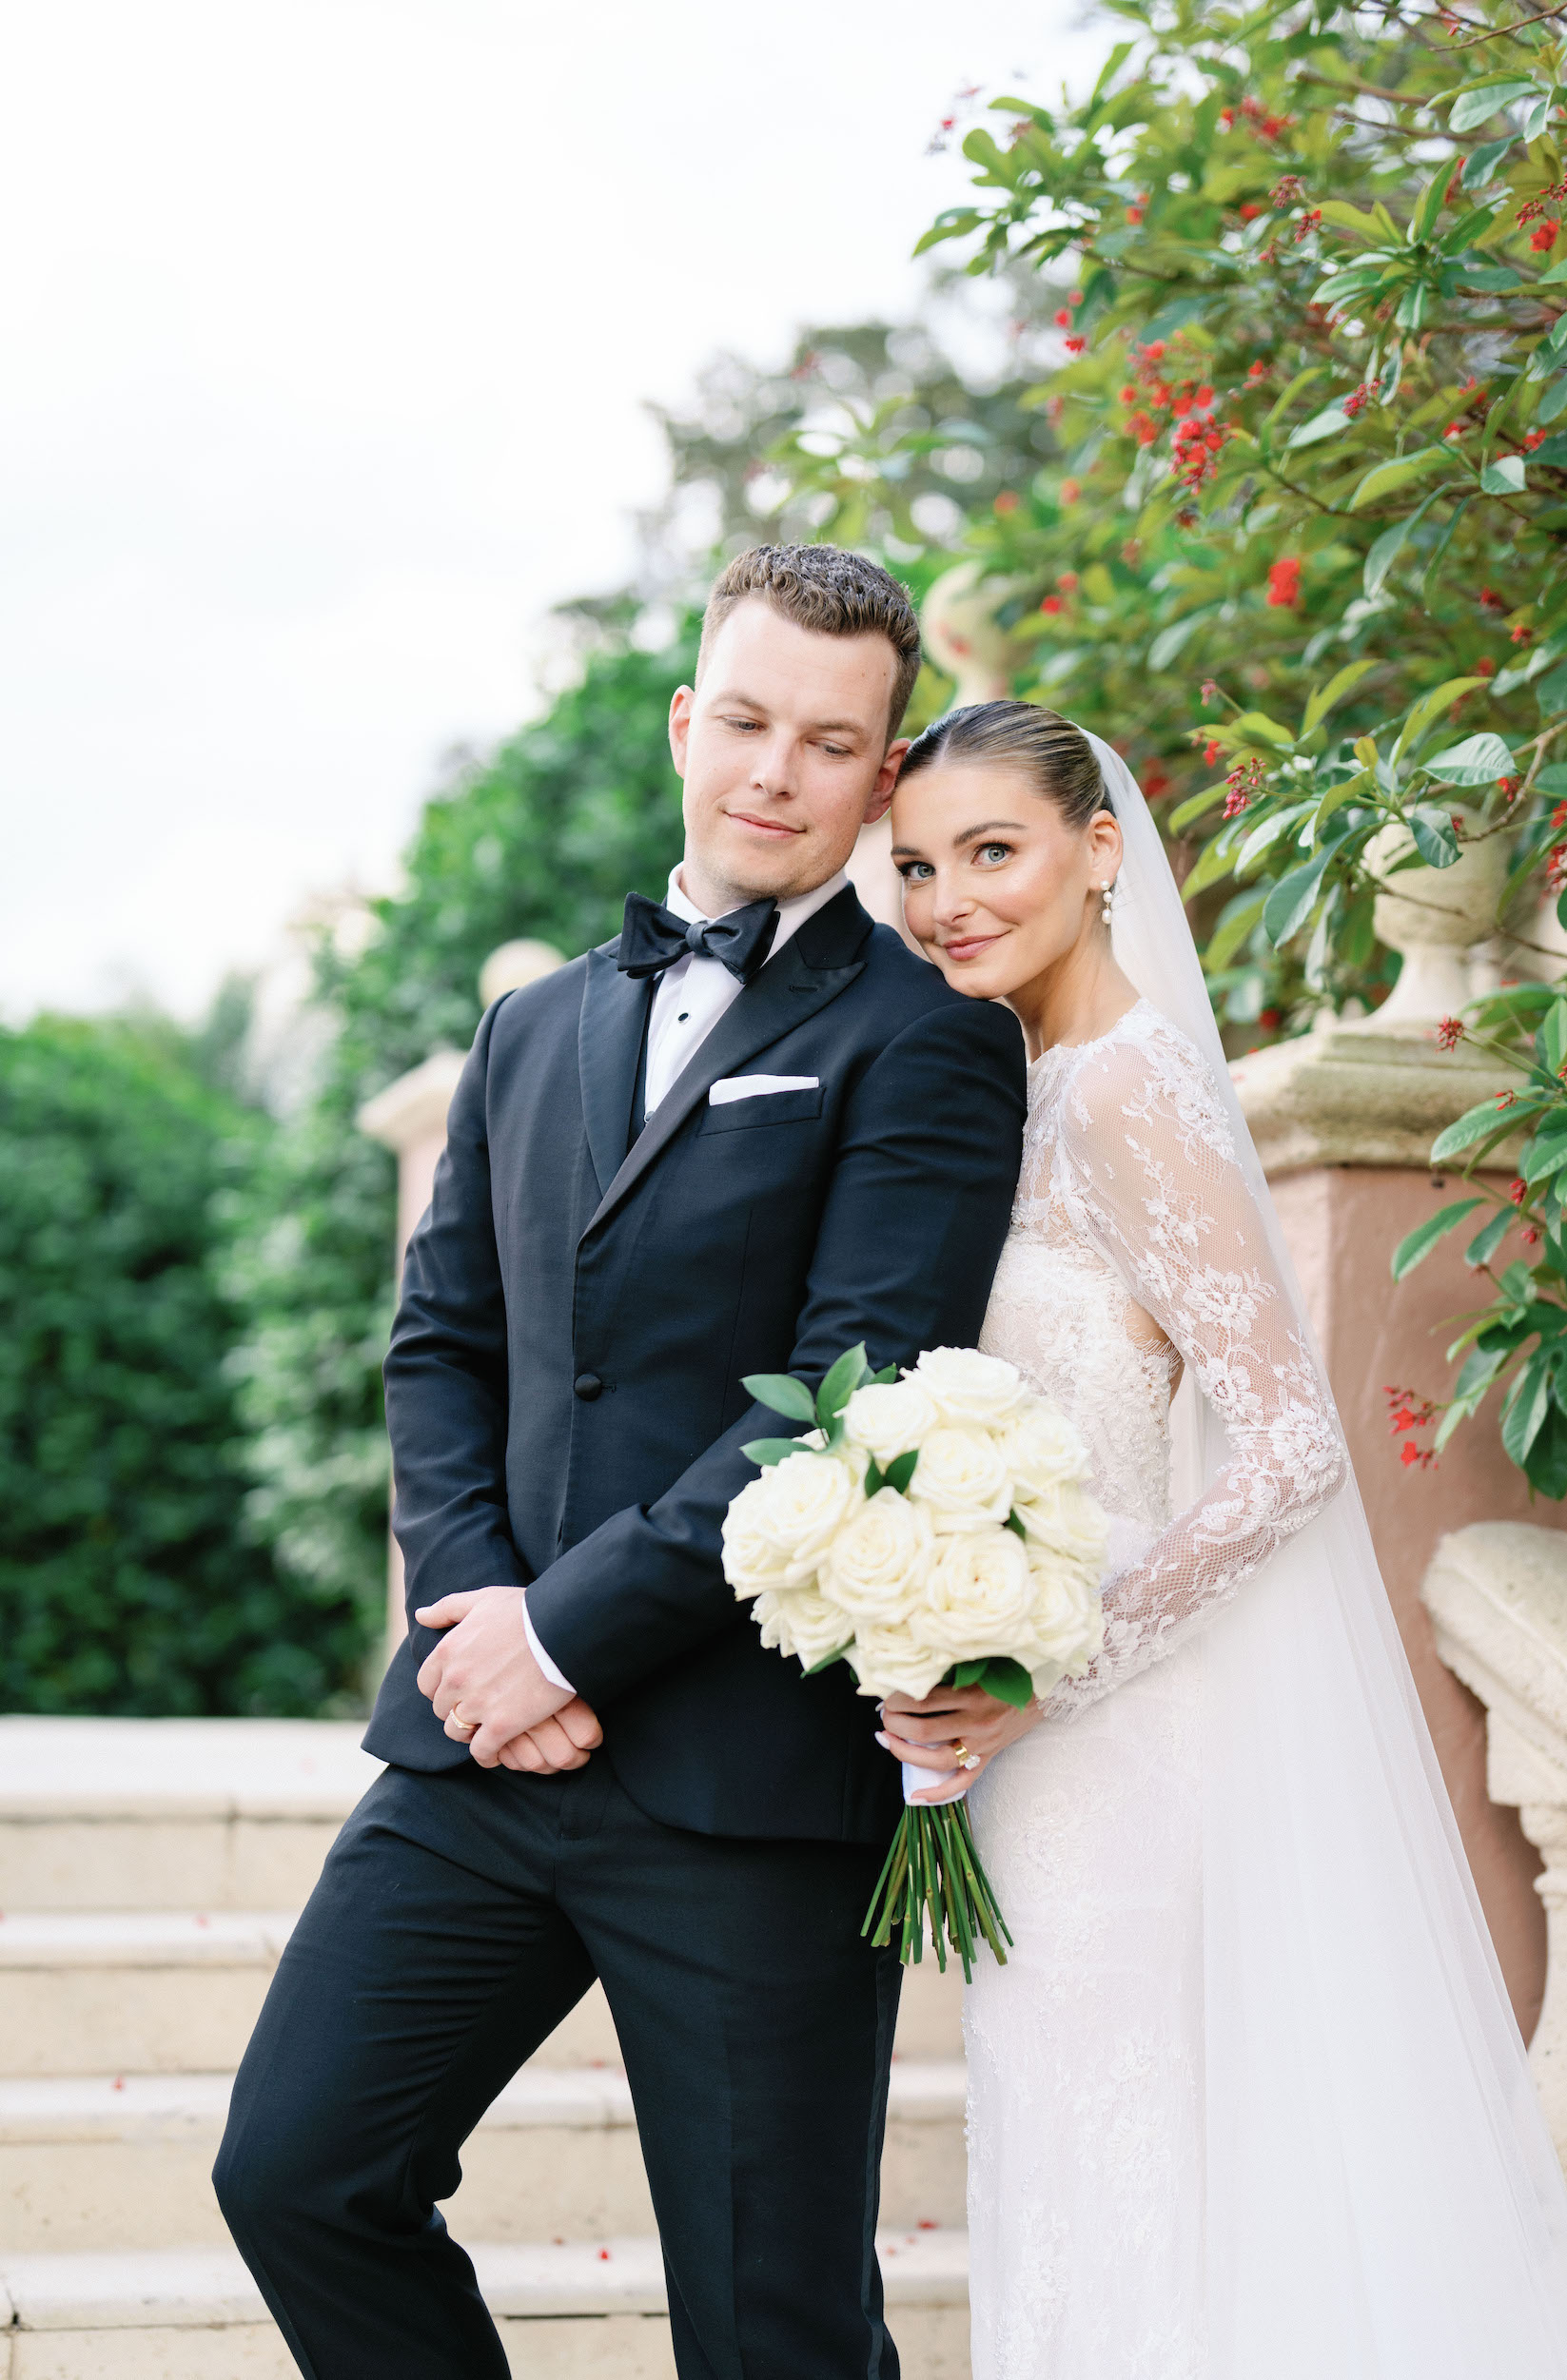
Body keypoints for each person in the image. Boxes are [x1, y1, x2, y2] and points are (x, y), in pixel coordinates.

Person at [212, 546, 1028, 2379]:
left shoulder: (931, 1042)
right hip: (478, 1747)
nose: (774, 770)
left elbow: (841, 1390)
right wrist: (478, 1616)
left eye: (830, 741)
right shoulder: (531, 1025)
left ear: (883, 774)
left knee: (774, 2330)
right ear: (685, 721)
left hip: (742, 1775)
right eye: (743, 721)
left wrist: (568, 1635)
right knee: (297, 2173)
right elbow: (443, 1344)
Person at [877, 700, 1567, 2380]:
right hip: (1045, 1742)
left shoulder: (1130, 1088)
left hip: (1113, 1733)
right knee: (1075, 2163)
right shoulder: (1041, 1079)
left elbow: (1288, 1452)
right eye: (920, 863)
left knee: (1134, 2176)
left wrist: (1042, 1663)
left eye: (992, 853)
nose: (946, 900)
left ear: (1099, 849)